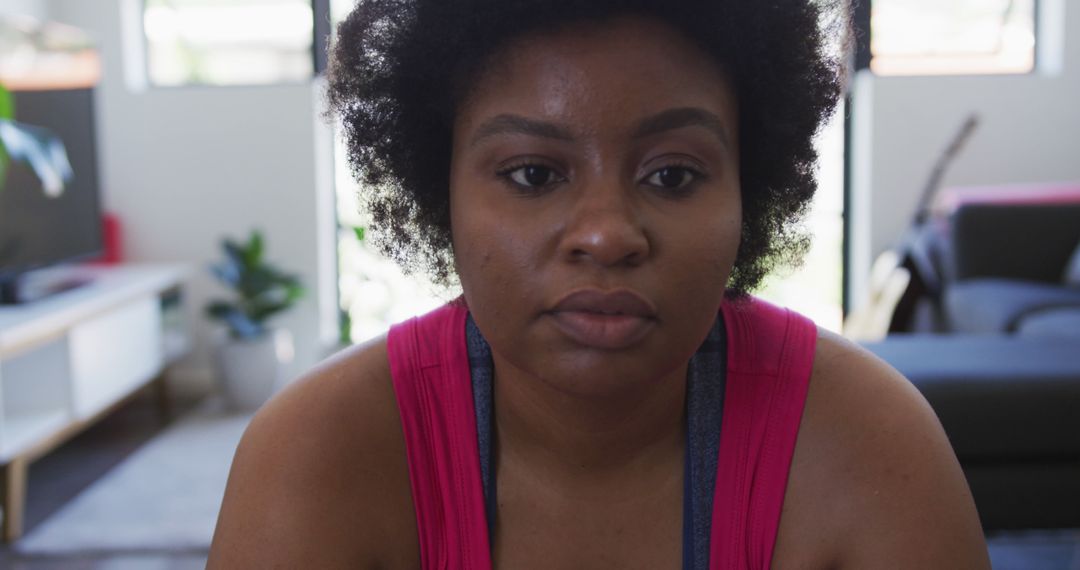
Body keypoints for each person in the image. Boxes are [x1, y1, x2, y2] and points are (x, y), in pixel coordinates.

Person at [208, 0, 991, 567]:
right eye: (533, 173)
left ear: (746, 190)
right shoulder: (317, 455)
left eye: (674, 174)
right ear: (441, 191)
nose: (607, 234)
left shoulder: (870, 446)